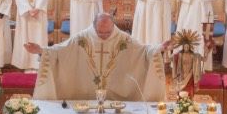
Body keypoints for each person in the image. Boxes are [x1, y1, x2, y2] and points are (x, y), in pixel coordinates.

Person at [24, 13, 171, 101]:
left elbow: (143, 51)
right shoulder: (83, 37)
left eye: (108, 33)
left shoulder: (123, 38)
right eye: (100, 33)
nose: (104, 37)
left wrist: (159, 48)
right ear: (94, 27)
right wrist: (42, 51)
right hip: (85, 97)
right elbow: (60, 50)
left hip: (116, 97)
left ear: (113, 26)